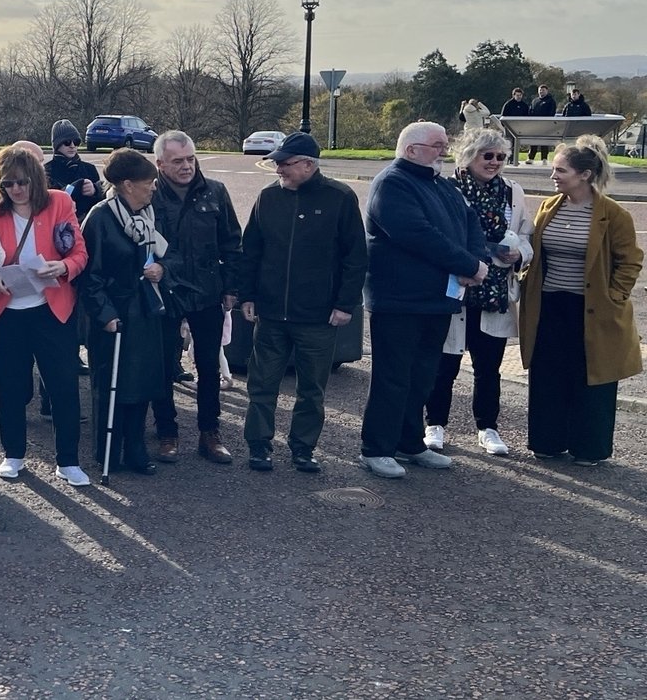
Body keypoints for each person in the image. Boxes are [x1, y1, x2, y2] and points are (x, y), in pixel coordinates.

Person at [358, 122, 488, 479]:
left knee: (422, 376)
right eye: (436, 145)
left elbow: (469, 222)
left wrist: (478, 262)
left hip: (436, 300)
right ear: (411, 149)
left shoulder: (442, 186)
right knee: (393, 377)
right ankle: (377, 448)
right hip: (399, 299)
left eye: (444, 144)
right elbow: (417, 235)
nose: (443, 151)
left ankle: (410, 443)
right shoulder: (392, 182)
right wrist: (466, 264)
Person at [239, 132, 366, 474]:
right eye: (277, 162)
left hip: (318, 316)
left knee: (312, 389)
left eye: (286, 163)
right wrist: (247, 295)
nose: (279, 168)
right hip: (270, 313)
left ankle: (303, 448)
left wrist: (345, 304)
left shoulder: (339, 198)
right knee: (262, 384)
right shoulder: (268, 198)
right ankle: (259, 446)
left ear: (309, 164)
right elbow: (251, 251)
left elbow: (355, 257)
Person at [519, 135, 641, 465]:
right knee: (548, 375)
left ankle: (589, 448)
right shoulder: (549, 207)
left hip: (592, 310)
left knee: (592, 378)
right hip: (549, 307)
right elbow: (536, 253)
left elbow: (630, 261)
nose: (553, 176)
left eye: (561, 171)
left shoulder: (613, 215)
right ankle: (547, 442)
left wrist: (615, 297)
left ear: (584, 175)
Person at [0, 145, 89, 484]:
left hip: (51, 308)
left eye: (22, 182)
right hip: (8, 312)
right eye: (8, 183)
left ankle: (68, 460)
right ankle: (13, 454)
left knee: (63, 386)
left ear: (37, 181)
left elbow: (79, 251)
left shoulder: (60, 202)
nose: (16, 189)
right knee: (11, 388)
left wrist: (63, 266)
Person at [425, 129, 532, 457]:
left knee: (489, 367)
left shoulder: (513, 191)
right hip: (455, 289)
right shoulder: (447, 189)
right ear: (469, 156)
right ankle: (434, 425)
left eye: (501, 156)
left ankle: (488, 428)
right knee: (445, 363)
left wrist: (519, 254)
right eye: (488, 156)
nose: (495, 162)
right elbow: (437, 235)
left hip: (495, 291)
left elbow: (526, 234)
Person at [151, 130, 242, 465]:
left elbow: (232, 242)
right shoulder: (150, 196)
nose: (187, 166)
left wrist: (232, 288)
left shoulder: (215, 192)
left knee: (207, 366)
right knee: (162, 367)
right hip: (165, 293)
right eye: (178, 161)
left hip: (207, 292)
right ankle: (166, 433)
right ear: (160, 163)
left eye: (191, 159)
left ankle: (210, 433)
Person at [81, 150, 169, 475]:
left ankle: (135, 448)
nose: (153, 188)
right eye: (149, 183)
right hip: (114, 314)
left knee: (141, 383)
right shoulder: (100, 218)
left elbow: (166, 253)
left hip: (144, 309)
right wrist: (104, 314)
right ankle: (107, 452)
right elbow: (89, 275)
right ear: (128, 185)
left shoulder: (147, 215)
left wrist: (161, 268)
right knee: (110, 384)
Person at [44, 119, 103, 222]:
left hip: (87, 225)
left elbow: (101, 203)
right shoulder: (46, 171)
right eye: (67, 142)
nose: (72, 146)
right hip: (59, 223)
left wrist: (95, 190)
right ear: (57, 145)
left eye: (76, 142)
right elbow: (45, 202)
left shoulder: (90, 169)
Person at [527, 85, 557, 164]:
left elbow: (552, 113)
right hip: (535, 125)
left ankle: (544, 158)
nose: (541, 92)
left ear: (547, 91)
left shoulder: (551, 101)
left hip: (546, 124)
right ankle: (531, 158)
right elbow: (530, 111)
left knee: (544, 142)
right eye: (540, 90)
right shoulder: (535, 101)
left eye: (543, 90)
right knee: (533, 142)